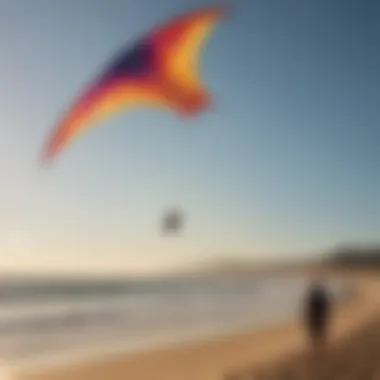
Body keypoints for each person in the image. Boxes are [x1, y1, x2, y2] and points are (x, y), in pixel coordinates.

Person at [304, 278, 331, 355]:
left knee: (316, 334)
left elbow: (309, 310)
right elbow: (325, 308)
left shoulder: (314, 297)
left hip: (316, 318)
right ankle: (321, 350)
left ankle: (317, 351)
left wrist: (308, 319)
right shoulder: (320, 296)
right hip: (319, 317)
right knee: (320, 334)